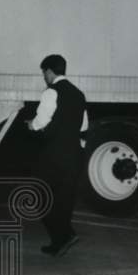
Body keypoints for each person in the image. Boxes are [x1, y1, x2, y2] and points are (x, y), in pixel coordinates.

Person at [27, 54, 88, 256]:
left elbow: (41, 121)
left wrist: (31, 125)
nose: (44, 77)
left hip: (54, 154)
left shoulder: (51, 92)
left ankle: (63, 237)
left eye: (44, 72)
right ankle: (62, 238)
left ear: (50, 71)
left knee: (40, 195)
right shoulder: (79, 94)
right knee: (63, 199)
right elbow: (84, 125)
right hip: (74, 154)